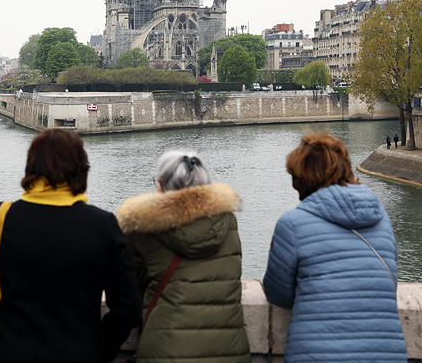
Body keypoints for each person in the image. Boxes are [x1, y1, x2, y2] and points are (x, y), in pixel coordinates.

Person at [0, 128, 142, 362]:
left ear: (31, 167)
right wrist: (100, 348)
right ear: (81, 169)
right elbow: (128, 308)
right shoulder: (103, 225)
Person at [263, 131, 407, 362]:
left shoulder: (292, 223)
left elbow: (277, 293)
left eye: (294, 175)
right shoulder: (381, 219)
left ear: (304, 178)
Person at [115, 150, 251, 363]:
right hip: (231, 352)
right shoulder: (228, 222)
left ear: (160, 186)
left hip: (164, 352)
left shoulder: (142, 230)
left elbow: (134, 287)